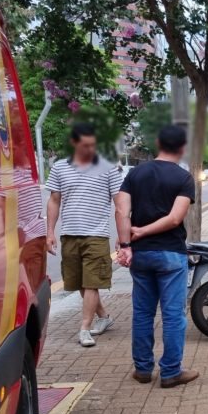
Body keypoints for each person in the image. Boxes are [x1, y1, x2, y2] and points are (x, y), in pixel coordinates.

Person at [114, 125, 199, 388]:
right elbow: (175, 219)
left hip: (141, 256)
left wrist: (127, 243)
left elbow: (120, 210)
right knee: (173, 315)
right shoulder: (184, 178)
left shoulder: (135, 174)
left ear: (158, 144)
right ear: (182, 148)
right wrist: (143, 231)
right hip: (171, 255)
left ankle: (142, 369)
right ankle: (171, 372)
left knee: (142, 313)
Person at [45, 123, 123, 347]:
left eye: (93, 144)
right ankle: (104, 317)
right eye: (85, 145)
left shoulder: (108, 168)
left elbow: (120, 204)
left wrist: (122, 234)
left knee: (92, 283)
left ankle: (84, 328)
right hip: (69, 234)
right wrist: (50, 232)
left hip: (97, 235)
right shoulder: (60, 168)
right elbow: (54, 201)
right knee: (79, 282)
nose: (90, 149)